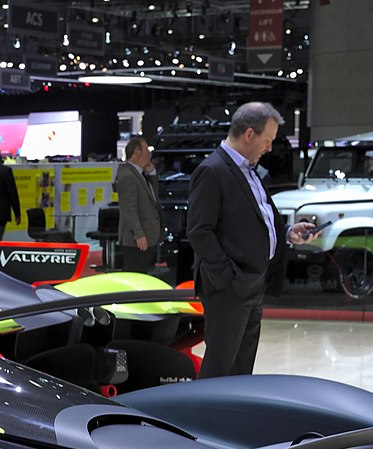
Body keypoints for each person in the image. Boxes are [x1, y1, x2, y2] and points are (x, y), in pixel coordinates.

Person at [186, 102, 316, 378]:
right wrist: (227, 278)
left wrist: (287, 233)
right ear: (249, 134)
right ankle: (205, 419)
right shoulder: (212, 171)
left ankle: (233, 418)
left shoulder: (249, 171)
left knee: (242, 367)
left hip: (253, 285)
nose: (269, 148)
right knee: (220, 367)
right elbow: (198, 230)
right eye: (267, 140)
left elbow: (252, 221)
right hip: (230, 288)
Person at [114, 136, 162, 274]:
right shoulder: (127, 176)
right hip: (136, 240)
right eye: (147, 151)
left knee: (143, 274)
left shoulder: (140, 174)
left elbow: (153, 197)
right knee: (134, 274)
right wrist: (139, 234)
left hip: (147, 237)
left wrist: (151, 172)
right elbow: (129, 209)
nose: (150, 154)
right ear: (136, 153)